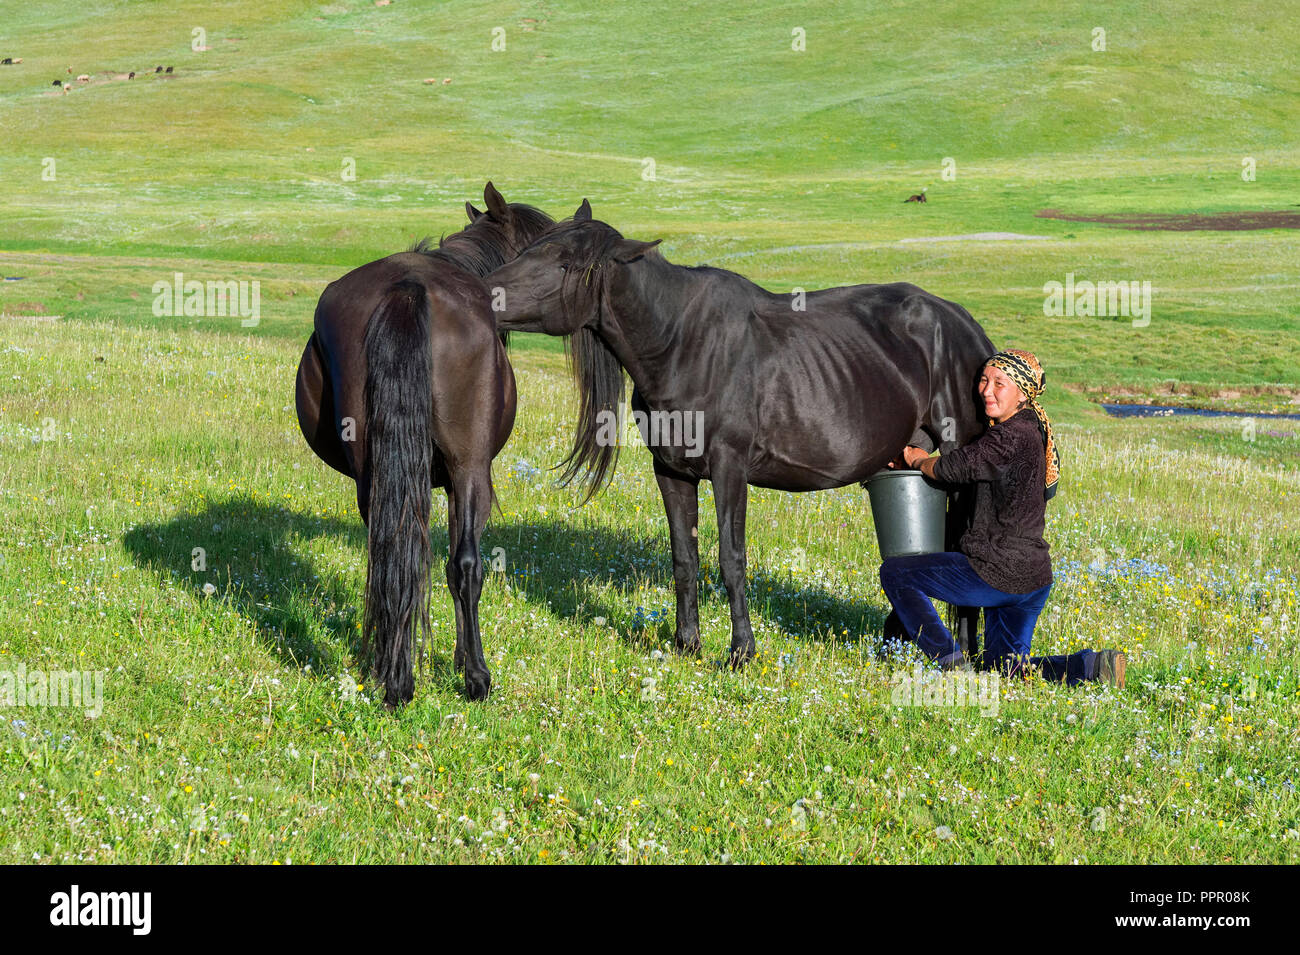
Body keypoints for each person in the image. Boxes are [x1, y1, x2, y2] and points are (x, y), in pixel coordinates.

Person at [878, 348, 1126, 687]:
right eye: (984, 380)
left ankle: (950, 663)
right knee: (1003, 672)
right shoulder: (1031, 427)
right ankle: (1092, 667)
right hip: (1032, 578)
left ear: (1022, 393)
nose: (986, 390)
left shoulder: (1010, 437)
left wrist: (915, 457)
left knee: (896, 574)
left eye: (1000, 383)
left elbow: (953, 468)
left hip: (995, 572)